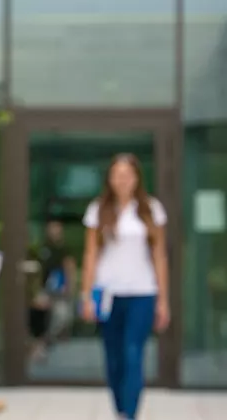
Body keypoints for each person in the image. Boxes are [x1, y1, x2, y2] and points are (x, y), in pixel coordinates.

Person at [80, 153, 170, 420]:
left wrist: (163, 299)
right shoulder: (98, 210)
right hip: (108, 293)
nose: (122, 180)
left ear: (137, 178)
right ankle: (120, 408)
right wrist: (86, 295)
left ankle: (129, 415)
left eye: (127, 175)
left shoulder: (152, 209)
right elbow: (90, 255)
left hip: (143, 292)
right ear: (109, 178)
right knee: (113, 358)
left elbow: (159, 256)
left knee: (133, 353)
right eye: (117, 175)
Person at [29, 219, 77, 361]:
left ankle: (48, 344)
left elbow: (70, 267)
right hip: (45, 289)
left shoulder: (64, 249)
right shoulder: (43, 248)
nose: (53, 231)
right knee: (40, 315)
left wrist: (70, 287)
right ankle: (39, 345)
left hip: (60, 290)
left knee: (61, 316)